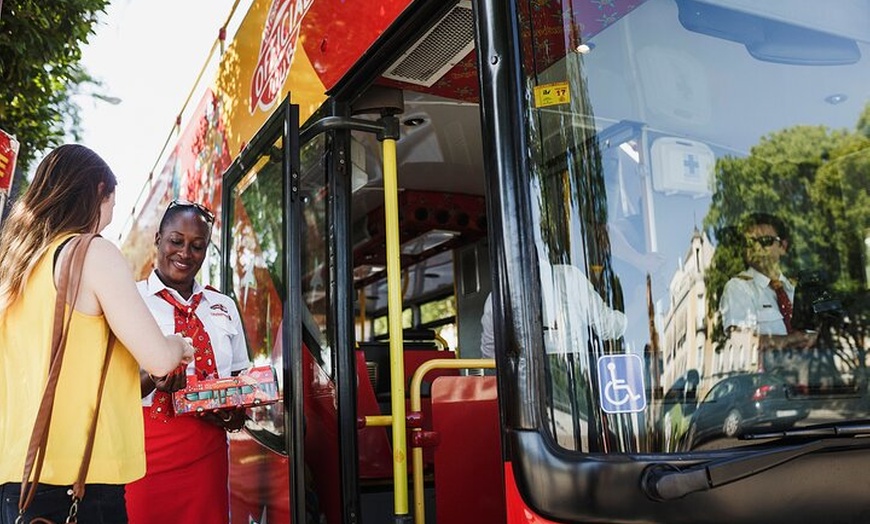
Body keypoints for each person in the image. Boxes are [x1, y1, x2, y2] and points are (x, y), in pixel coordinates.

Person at [0, 144, 195, 523]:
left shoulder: (16, 266)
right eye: (112, 201)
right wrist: (179, 346)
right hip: (78, 484)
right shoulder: (90, 253)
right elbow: (157, 357)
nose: (111, 215)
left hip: (14, 481)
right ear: (98, 191)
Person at [125, 199, 250, 524]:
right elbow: (111, 387)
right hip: (143, 454)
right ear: (158, 239)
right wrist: (155, 376)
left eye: (197, 245)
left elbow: (238, 379)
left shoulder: (223, 305)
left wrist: (235, 412)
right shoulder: (129, 299)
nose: (185, 253)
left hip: (207, 454)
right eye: (176, 241)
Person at [480, 261, 627, 359]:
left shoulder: (496, 298)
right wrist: (634, 314)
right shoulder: (570, 278)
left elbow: (491, 356)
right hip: (576, 377)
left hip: (527, 384)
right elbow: (607, 326)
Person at [719, 213, 817, 351]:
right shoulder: (738, 288)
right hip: (768, 372)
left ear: (783, 247)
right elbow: (742, 343)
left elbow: (817, 336)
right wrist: (790, 341)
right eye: (750, 242)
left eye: (766, 241)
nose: (757, 247)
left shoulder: (797, 290)